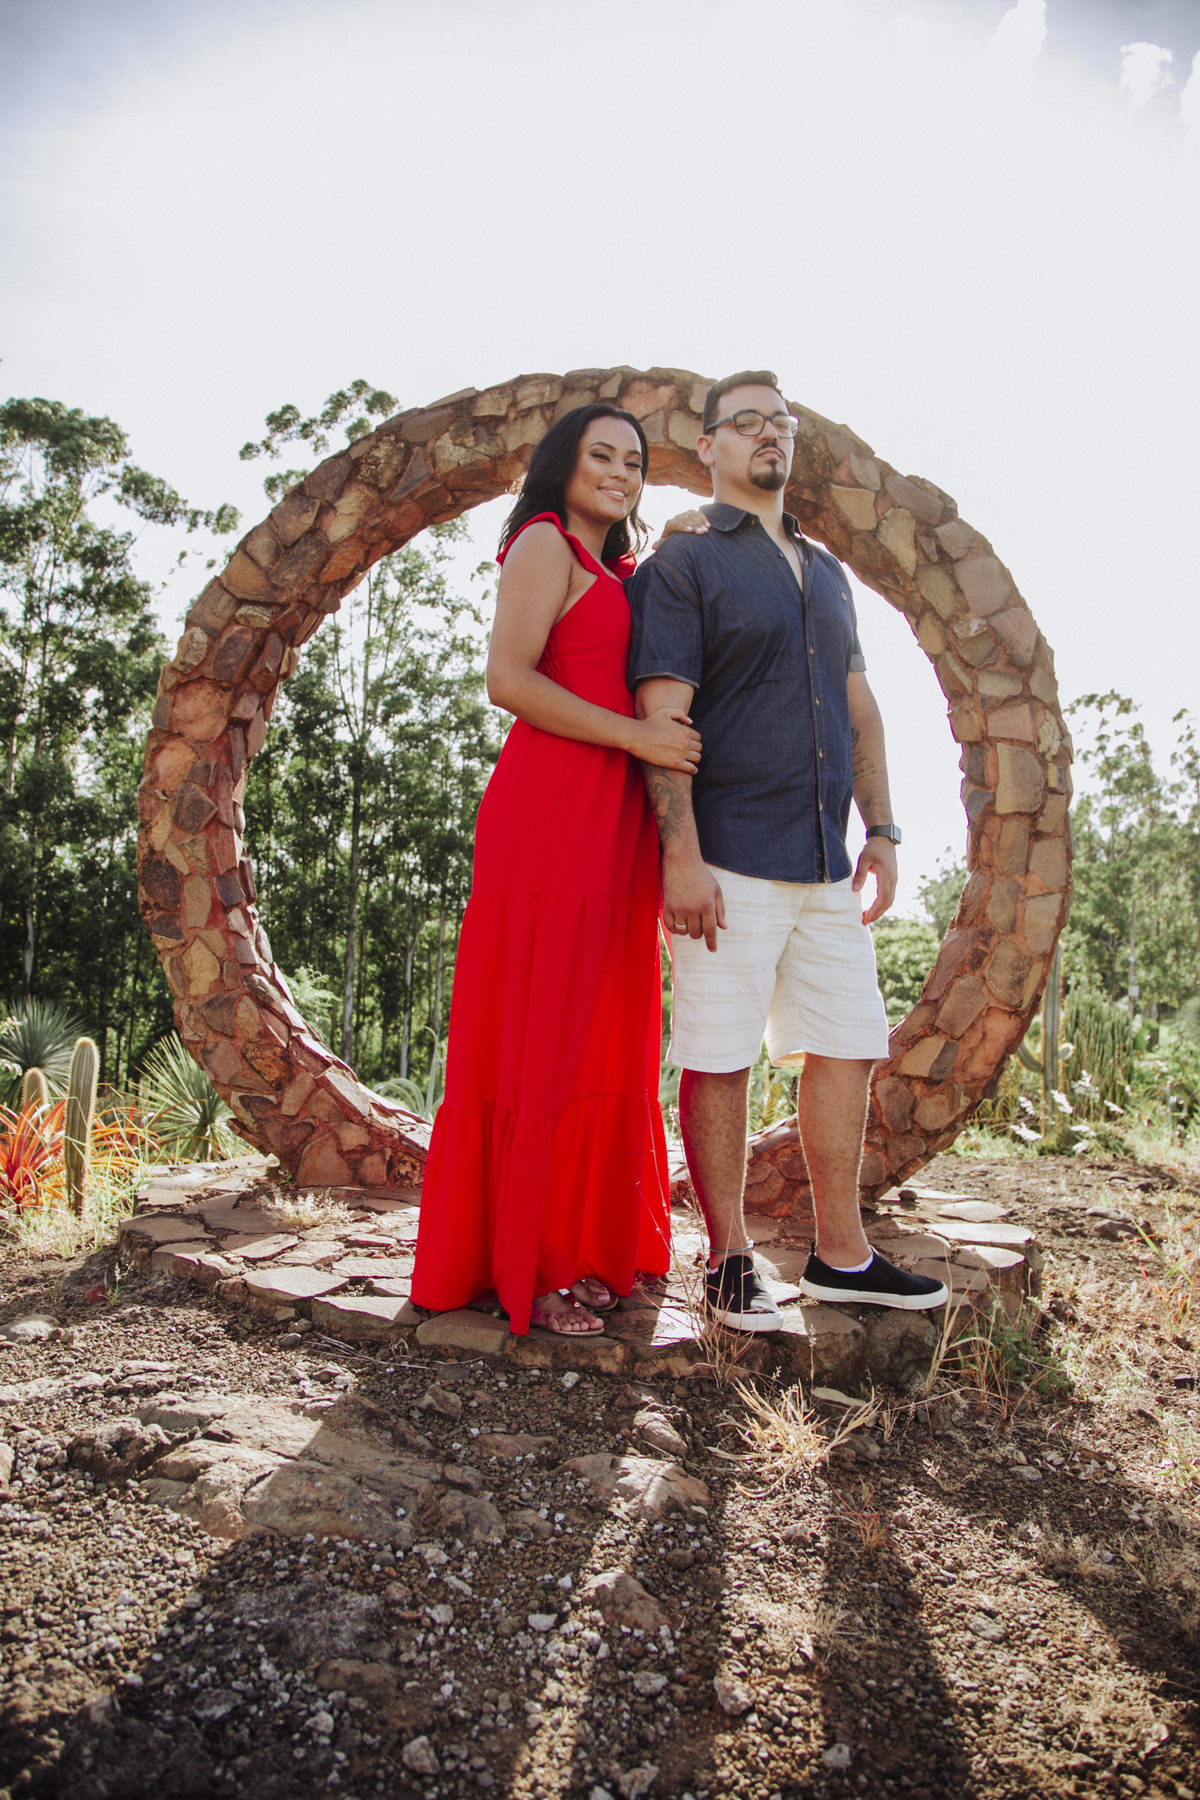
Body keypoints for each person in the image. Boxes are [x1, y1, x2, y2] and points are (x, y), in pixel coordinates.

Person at [627, 370, 949, 1330]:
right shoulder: (684, 563)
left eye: (782, 422)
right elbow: (663, 716)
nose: (770, 434)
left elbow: (859, 707)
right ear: (710, 447)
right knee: (719, 1054)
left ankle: (840, 1256)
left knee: (848, 1043)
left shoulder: (828, 573)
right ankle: (728, 1259)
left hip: (824, 859)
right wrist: (680, 855)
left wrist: (881, 828)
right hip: (726, 853)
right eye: (748, 422)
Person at [411, 405, 701, 1335]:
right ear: (562, 467)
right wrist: (637, 736)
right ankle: (529, 1263)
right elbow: (509, 679)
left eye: (634, 461)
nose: (620, 472)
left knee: (599, 1033)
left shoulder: (617, 568)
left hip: (616, 821)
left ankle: (583, 1246)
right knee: (546, 1032)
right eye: (600, 455)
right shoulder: (545, 543)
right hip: (552, 812)